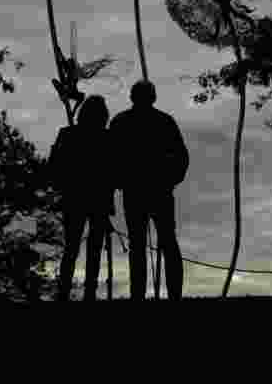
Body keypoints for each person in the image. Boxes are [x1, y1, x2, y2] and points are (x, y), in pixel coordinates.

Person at [108, 80, 189, 300]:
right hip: (148, 190)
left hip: (146, 190)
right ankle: (165, 296)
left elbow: (181, 158)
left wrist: (169, 179)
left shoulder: (122, 122)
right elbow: (110, 159)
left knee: (151, 244)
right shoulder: (163, 121)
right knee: (161, 243)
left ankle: (145, 297)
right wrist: (169, 179)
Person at [49, 95, 114, 301]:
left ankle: (66, 292)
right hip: (95, 199)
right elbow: (115, 171)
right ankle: (87, 293)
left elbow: (54, 166)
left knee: (72, 247)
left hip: (77, 198)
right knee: (89, 248)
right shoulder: (107, 138)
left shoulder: (68, 134)